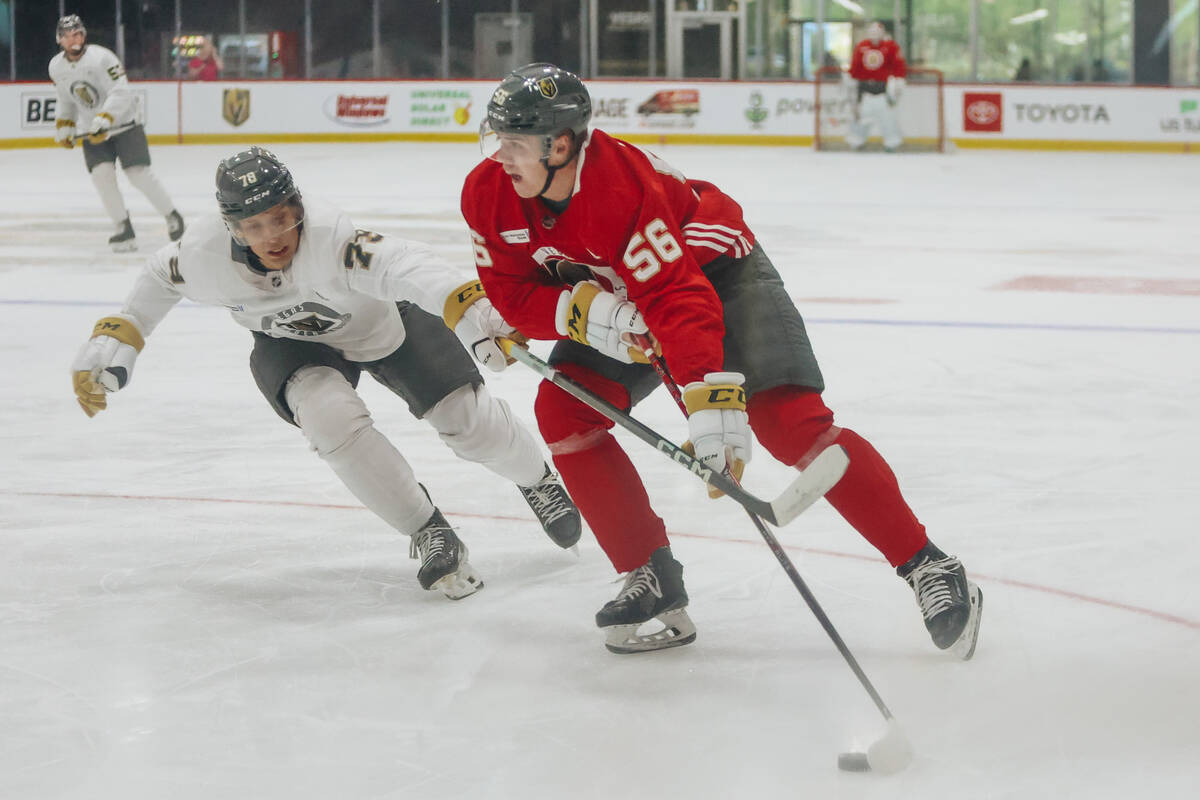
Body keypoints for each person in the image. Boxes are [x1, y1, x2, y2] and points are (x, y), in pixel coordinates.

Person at [459, 63, 983, 656]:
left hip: (718, 273)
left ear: (560, 145)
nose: (501, 155)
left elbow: (678, 297)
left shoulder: (617, 185)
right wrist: (603, 318)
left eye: (516, 142)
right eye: (497, 137)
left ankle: (927, 564)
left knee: (788, 423)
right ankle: (649, 575)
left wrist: (710, 402)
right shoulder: (487, 191)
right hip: (632, 292)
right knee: (564, 411)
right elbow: (511, 294)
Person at [71, 146, 581, 600]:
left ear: (297, 208)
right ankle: (428, 529)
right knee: (328, 419)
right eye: (254, 226)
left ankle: (535, 478)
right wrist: (115, 341)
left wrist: (475, 312)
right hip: (291, 345)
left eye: (280, 218)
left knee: (470, 426)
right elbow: (158, 276)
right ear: (231, 228)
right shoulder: (202, 256)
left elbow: (408, 264)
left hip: (385, 324)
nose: (272, 236)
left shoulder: (331, 238)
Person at [48, 15, 185, 252]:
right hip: (92, 131)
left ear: (84, 35)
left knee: (137, 174)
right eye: (68, 36)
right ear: (60, 39)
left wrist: (105, 118)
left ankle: (172, 216)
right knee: (102, 176)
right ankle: (123, 227)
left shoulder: (102, 58)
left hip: (124, 124)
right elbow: (66, 99)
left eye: (78, 34)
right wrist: (65, 126)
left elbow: (121, 91)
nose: (74, 39)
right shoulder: (56, 67)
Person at [847, 21, 907, 152]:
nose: (874, 35)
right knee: (862, 118)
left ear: (882, 33)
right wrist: (851, 80)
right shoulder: (862, 46)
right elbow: (855, 67)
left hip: (883, 91)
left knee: (888, 119)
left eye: (877, 32)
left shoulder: (891, 47)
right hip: (865, 91)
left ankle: (892, 143)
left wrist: (899, 80)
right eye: (872, 32)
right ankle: (857, 141)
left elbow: (898, 65)